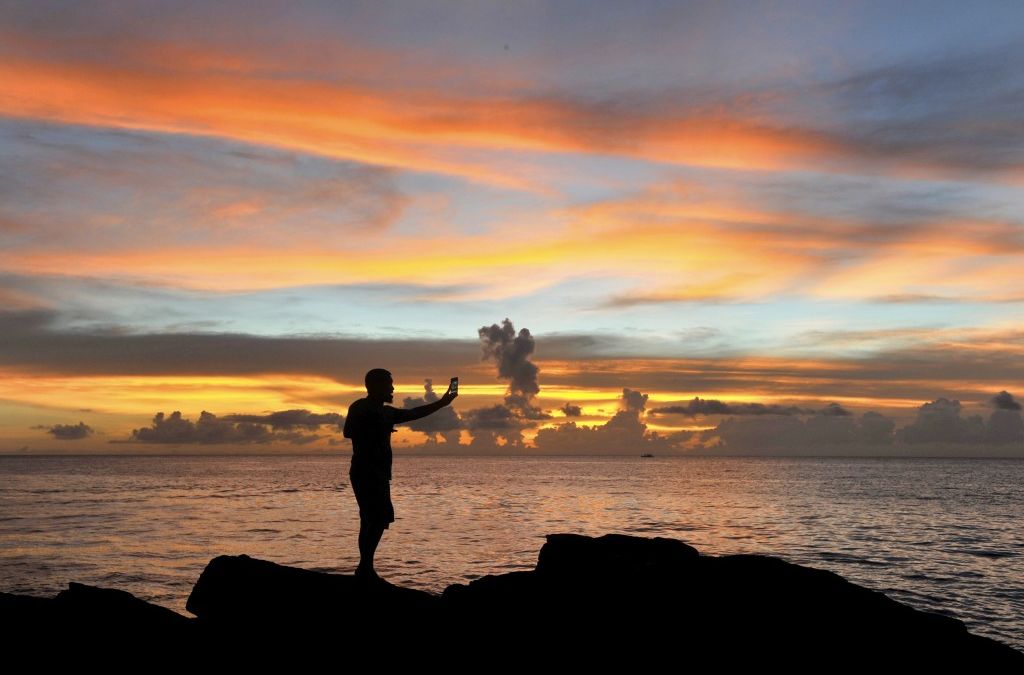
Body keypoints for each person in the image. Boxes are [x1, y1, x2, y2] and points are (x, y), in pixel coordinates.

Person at [342, 368, 457, 582]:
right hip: (364, 471)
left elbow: (412, 413)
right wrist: (378, 427)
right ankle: (365, 569)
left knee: (373, 520)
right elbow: (348, 432)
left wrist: (442, 403)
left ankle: (365, 567)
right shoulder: (361, 407)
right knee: (372, 520)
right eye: (389, 384)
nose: (392, 388)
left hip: (380, 472)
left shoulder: (386, 413)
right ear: (376, 386)